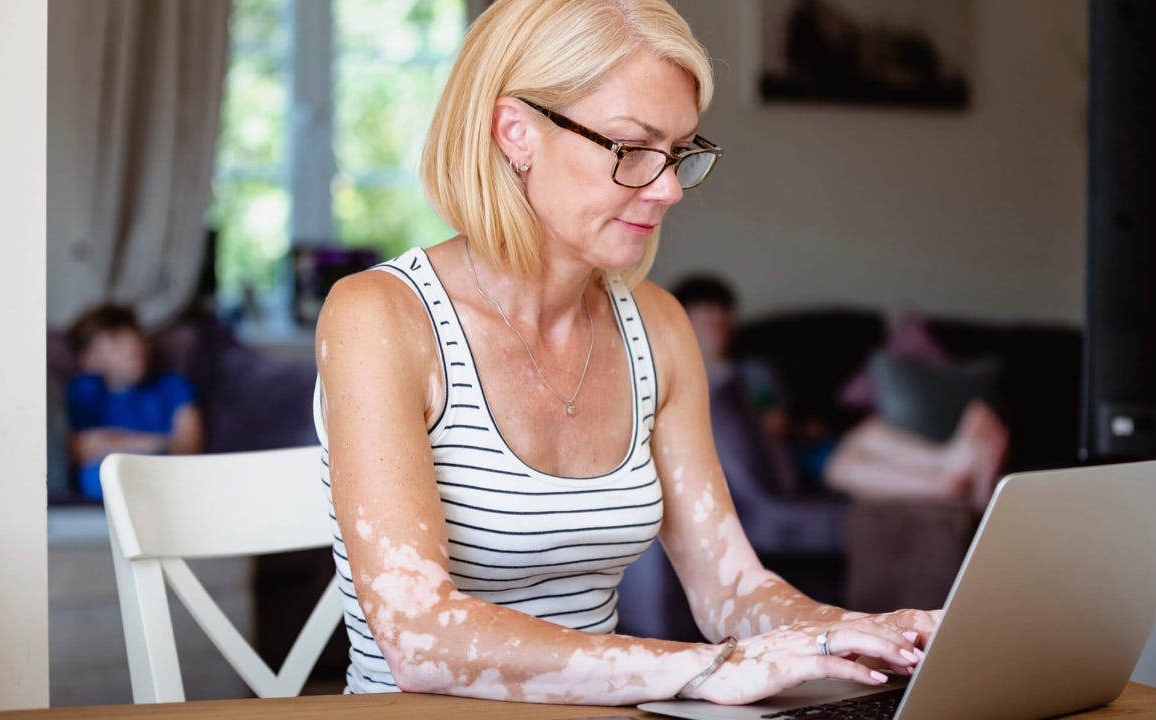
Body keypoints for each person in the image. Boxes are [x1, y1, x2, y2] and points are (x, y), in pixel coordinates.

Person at [314, 0, 938, 705]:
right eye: (632, 149)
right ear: (516, 131)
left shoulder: (659, 327)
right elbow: (420, 637)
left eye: (678, 152)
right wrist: (706, 669)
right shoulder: (380, 316)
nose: (669, 188)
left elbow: (731, 589)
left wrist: (869, 633)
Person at [673, 274, 1009, 513]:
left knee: (868, 433)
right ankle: (952, 483)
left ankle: (951, 459)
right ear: (684, 317)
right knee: (844, 464)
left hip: (795, 442)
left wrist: (799, 424)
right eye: (706, 311)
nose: (716, 318)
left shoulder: (753, 370)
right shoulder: (684, 372)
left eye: (722, 311)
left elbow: (778, 417)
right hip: (777, 459)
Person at [65, 305, 203, 500]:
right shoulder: (83, 391)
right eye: (116, 341)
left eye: (135, 336)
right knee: (94, 478)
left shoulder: (173, 386)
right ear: (89, 359)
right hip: (110, 489)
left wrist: (112, 441)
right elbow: (77, 450)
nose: (133, 346)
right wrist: (162, 445)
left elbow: (188, 450)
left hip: (168, 482)